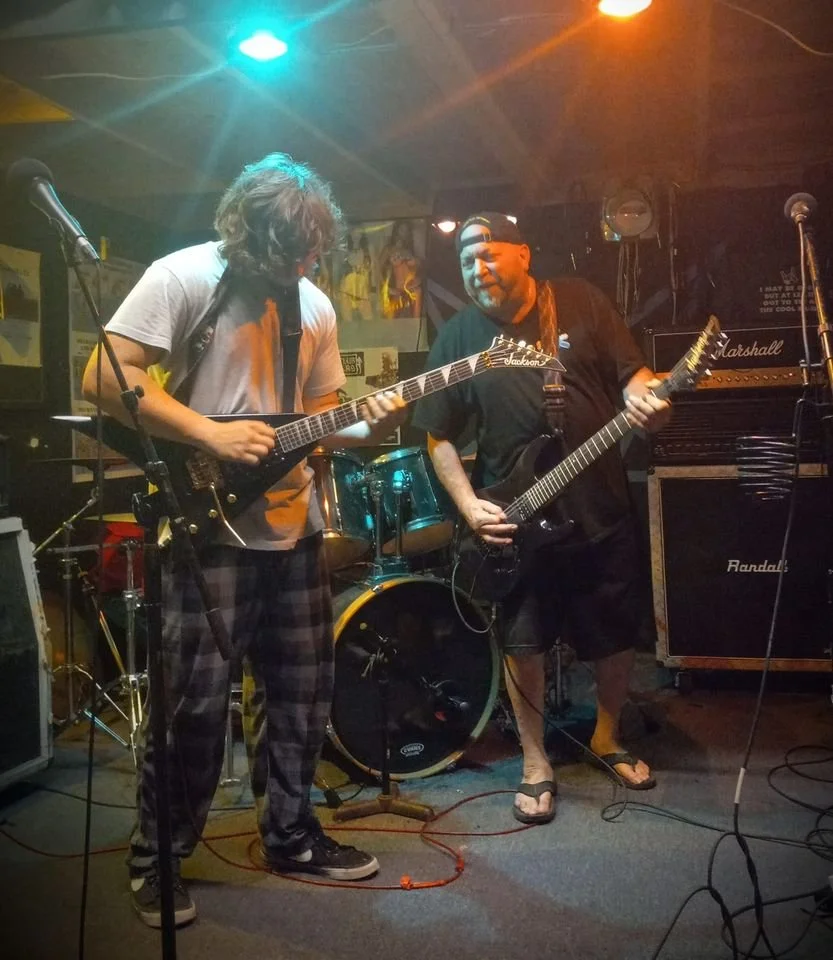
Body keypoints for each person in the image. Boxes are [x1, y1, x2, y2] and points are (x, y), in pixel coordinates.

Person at [82, 153, 406, 927]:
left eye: (310, 250)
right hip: (206, 529)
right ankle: (157, 859)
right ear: (245, 233)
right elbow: (102, 375)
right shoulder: (182, 276)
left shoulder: (315, 305)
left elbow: (323, 418)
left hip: (293, 528)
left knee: (300, 696)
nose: (301, 264)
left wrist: (373, 423)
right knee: (191, 705)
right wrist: (209, 436)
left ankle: (290, 834)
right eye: (288, 250)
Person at [412, 212, 671, 825]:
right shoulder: (459, 337)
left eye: (489, 254)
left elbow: (634, 376)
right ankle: (535, 761)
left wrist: (647, 395)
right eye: (467, 261)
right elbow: (438, 438)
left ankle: (607, 736)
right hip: (517, 519)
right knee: (521, 640)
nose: (478, 269)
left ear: (523, 254)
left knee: (613, 633)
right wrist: (469, 505)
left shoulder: (579, 302)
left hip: (599, 508)